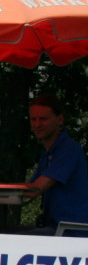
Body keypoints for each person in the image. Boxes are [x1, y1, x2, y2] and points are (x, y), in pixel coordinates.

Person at [27, 94, 88, 236]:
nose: (37, 124)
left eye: (43, 119)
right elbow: (27, 191)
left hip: (72, 231)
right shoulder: (48, 153)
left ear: (60, 119)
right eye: (33, 119)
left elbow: (34, 190)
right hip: (56, 227)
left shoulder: (69, 149)